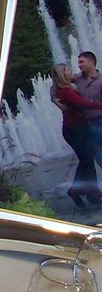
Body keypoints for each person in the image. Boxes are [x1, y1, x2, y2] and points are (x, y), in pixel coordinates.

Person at [50, 63, 102, 208]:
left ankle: (90, 193)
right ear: (63, 75)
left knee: (87, 160)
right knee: (86, 160)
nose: (71, 70)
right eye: (68, 70)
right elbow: (82, 103)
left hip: (78, 128)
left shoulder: (66, 88)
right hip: (75, 130)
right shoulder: (66, 91)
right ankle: (78, 191)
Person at [73, 50, 102, 170]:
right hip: (88, 124)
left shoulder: (101, 80)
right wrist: (54, 98)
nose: (79, 65)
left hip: (100, 120)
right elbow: (58, 81)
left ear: (91, 61)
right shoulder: (77, 79)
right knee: (98, 156)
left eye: (81, 62)